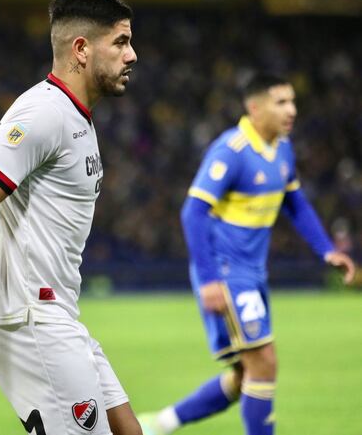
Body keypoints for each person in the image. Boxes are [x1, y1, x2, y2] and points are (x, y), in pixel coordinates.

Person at [0, 0, 142, 435]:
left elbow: (1, 199)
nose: (132, 55)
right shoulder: (43, 114)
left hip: (59, 312)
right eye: (120, 42)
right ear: (80, 49)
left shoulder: (75, 116)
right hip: (32, 317)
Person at [137, 74, 356, 435]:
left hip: (253, 272)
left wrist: (327, 250)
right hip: (226, 272)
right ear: (254, 108)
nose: (292, 110)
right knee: (264, 362)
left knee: (246, 376)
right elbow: (192, 212)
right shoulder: (232, 151)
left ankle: (159, 424)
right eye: (281, 102)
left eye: (292, 101)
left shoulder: (282, 148)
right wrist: (209, 280)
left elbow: (295, 202)